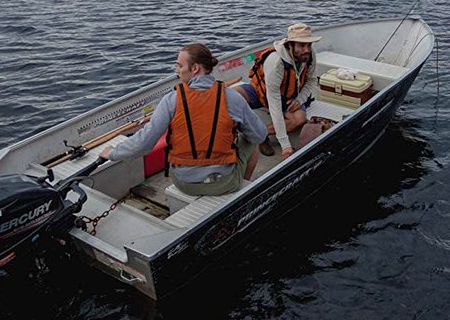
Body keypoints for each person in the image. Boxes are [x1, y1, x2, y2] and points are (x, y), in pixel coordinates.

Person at [99, 43, 267, 197]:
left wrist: (113, 153)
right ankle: (241, 186)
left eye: (179, 65)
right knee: (251, 138)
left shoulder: (171, 100)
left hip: (183, 183)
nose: (176, 71)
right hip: (223, 184)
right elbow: (260, 135)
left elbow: (143, 143)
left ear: (194, 68)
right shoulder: (233, 98)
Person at [235, 22, 321, 159]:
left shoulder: (309, 55)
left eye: (309, 45)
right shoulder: (276, 63)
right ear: (290, 45)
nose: (307, 49)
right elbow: (274, 103)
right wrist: (285, 144)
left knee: (299, 119)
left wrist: (300, 100)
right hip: (263, 93)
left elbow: (311, 80)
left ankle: (260, 134)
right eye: (302, 45)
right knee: (231, 97)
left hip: (289, 98)